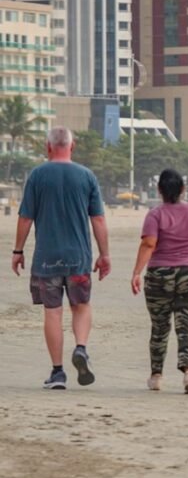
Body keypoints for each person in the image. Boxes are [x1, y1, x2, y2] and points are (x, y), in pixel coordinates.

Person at [12, 127, 110, 390]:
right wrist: (104, 254)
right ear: (72, 146)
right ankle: (80, 347)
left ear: (48, 147)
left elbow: (25, 218)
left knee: (52, 313)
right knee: (81, 305)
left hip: (47, 258)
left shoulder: (37, 175)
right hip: (78, 257)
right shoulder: (87, 176)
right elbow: (98, 219)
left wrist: (18, 250)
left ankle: (57, 373)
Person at [130, 169, 188, 394]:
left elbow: (149, 244)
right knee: (187, 326)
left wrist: (137, 272)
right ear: (183, 189)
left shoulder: (155, 215)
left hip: (160, 274)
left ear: (159, 190)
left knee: (160, 326)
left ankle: (156, 376)